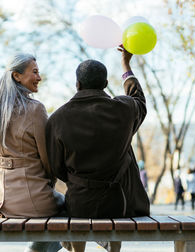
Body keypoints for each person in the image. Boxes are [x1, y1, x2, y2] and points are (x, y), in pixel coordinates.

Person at [46, 46, 150, 252]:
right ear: (105, 84)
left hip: (79, 202)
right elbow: (139, 100)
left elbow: (55, 167)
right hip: (119, 203)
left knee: (74, 214)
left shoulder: (58, 119)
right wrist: (126, 65)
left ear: (77, 84)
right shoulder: (124, 109)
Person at [0, 53, 63, 252]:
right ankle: (35, 250)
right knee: (68, 207)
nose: (39, 77)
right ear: (17, 76)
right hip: (31, 200)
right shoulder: (35, 110)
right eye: (34, 72)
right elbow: (47, 158)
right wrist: (50, 183)